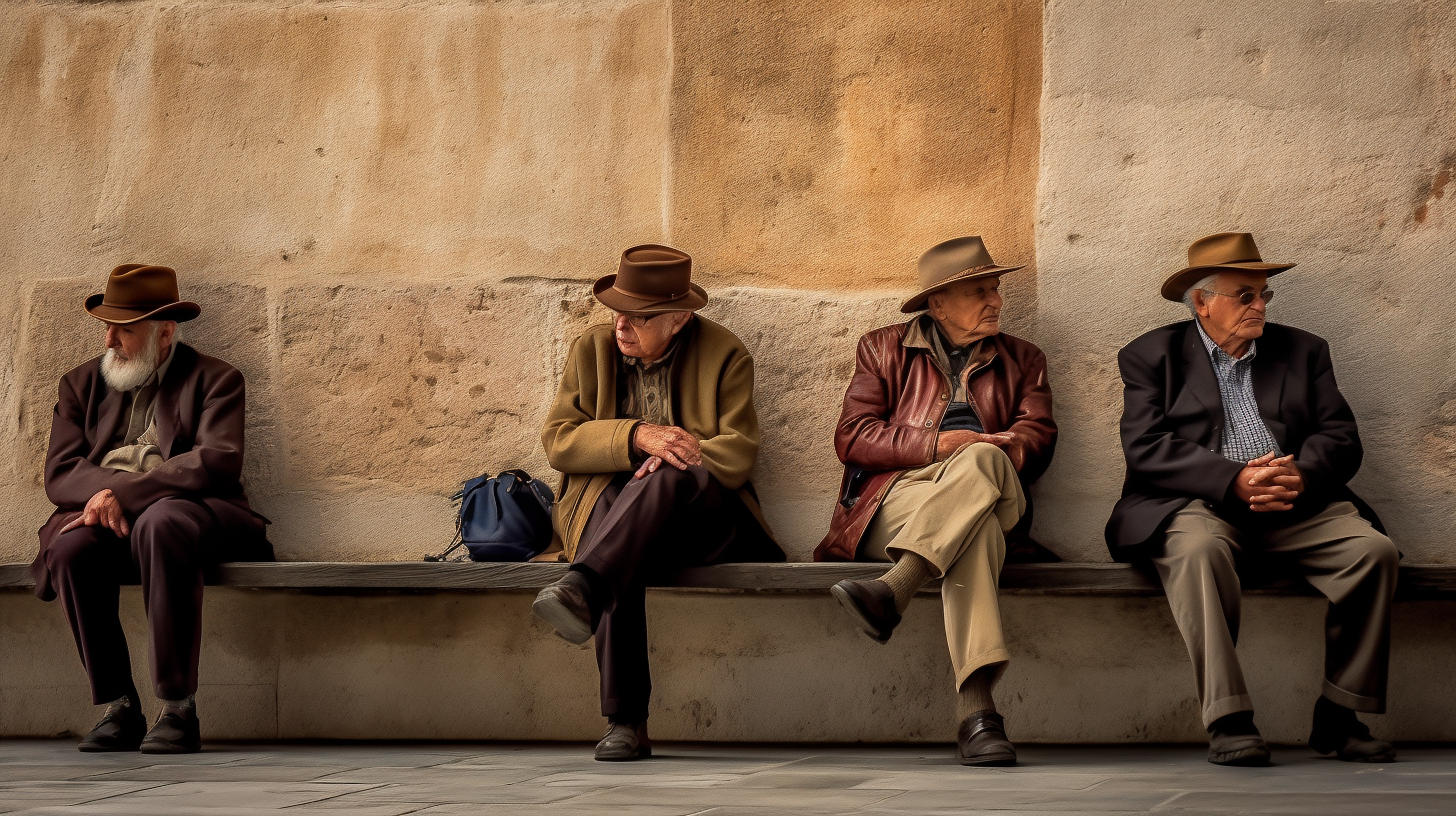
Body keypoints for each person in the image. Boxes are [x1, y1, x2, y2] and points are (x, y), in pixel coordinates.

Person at [1107, 232, 1399, 766]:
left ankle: (1340, 713)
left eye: (1264, 294)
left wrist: (1301, 475)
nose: (1260, 305)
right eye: (1246, 294)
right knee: (1198, 551)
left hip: (1294, 500)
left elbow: (1340, 436)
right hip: (1195, 503)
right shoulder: (1151, 355)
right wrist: (1231, 479)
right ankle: (1229, 717)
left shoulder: (1304, 350)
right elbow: (1145, 447)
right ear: (1202, 301)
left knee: (1372, 553)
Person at [532, 244, 783, 761]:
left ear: (679, 319)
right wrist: (637, 437)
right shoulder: (590, 351)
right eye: (617, 311)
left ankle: (583, 585)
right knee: (615, 539)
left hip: (705, 521)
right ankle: (626, 723)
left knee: (668, 476)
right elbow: (559, 440)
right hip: (618, 514)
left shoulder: (725, 354)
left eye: (640, 316)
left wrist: (678, 450)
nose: (621, 325)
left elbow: (738, 452)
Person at [817, 236, 1056, 766]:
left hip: (995, 485)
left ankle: (894, 589)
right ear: (938, 303)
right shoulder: (881, 348)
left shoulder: (1024, 358)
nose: (996, 300)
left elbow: (1038, 435)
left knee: (982, 461)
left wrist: (1012, 445)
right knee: (976, 531)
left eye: (995, 288)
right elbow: (852, 437)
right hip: (897, 500)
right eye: (980, 291)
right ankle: (977, 714)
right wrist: (934, 444)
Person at [32, 264, 272, 754]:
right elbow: (60, 474)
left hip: (190, 512)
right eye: (107, 327)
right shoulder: (79, 385)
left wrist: (127, 494)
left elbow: (216, 461)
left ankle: (178, 707)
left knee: (162, 522)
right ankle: (119, 706)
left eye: (124, 330)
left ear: (164, 333)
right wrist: (106, 495)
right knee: (72, 546)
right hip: (106, 517)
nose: (109, 341)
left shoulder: (217, 379)